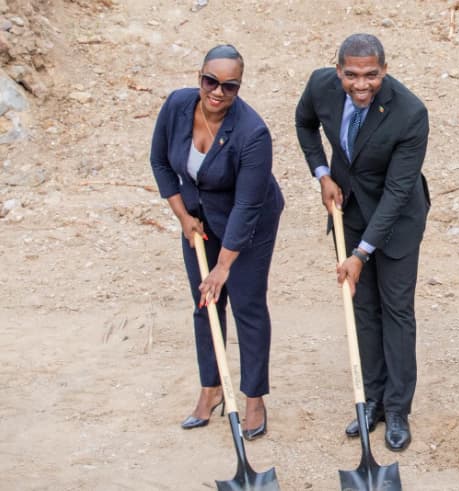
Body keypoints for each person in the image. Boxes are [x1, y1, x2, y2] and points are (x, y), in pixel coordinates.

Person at [295, 33, 430, 452]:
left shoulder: (410, 113)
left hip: (398, 219)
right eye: (351, 74)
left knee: (395, 310)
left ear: (384, 71)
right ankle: (371, 401)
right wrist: (322, 174)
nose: (361, 84)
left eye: (371, 75)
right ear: (338, 72)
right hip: (349, 210)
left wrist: (359, 254)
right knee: (363, 308)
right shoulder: (321, 86)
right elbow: (304, 123)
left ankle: (397, 410)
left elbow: (396, 193)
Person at [150, 44, 284, 441]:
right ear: (200, 77)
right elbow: (159, 162)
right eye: (211, 81)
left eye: (230, 86)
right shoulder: (177, 107)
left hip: (250, 224)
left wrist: (224, 267)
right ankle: (210, 388)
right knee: (204, 304)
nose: (218, 92)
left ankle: (254, 397)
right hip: (200, 219)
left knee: (247, 304)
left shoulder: (252, 133)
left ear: (238, 88)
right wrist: (183, 217)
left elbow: (246, 205)